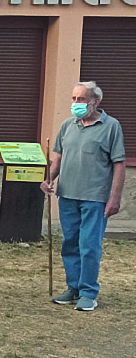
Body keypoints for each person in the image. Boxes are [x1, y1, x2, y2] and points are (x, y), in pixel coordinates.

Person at [42, 82, 126, 313]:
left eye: (81, 99)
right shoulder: (68, 125)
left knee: (89, 246)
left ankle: (89, 292)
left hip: (95, 197)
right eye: (73, 98)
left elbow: (119, 164)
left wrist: (115, 197)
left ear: (96, 101)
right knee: (70, 244)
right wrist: (48, 179)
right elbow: (57, 158)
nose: (76, 104)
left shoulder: (111, 126)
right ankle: (74, 288)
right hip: (67, 194)